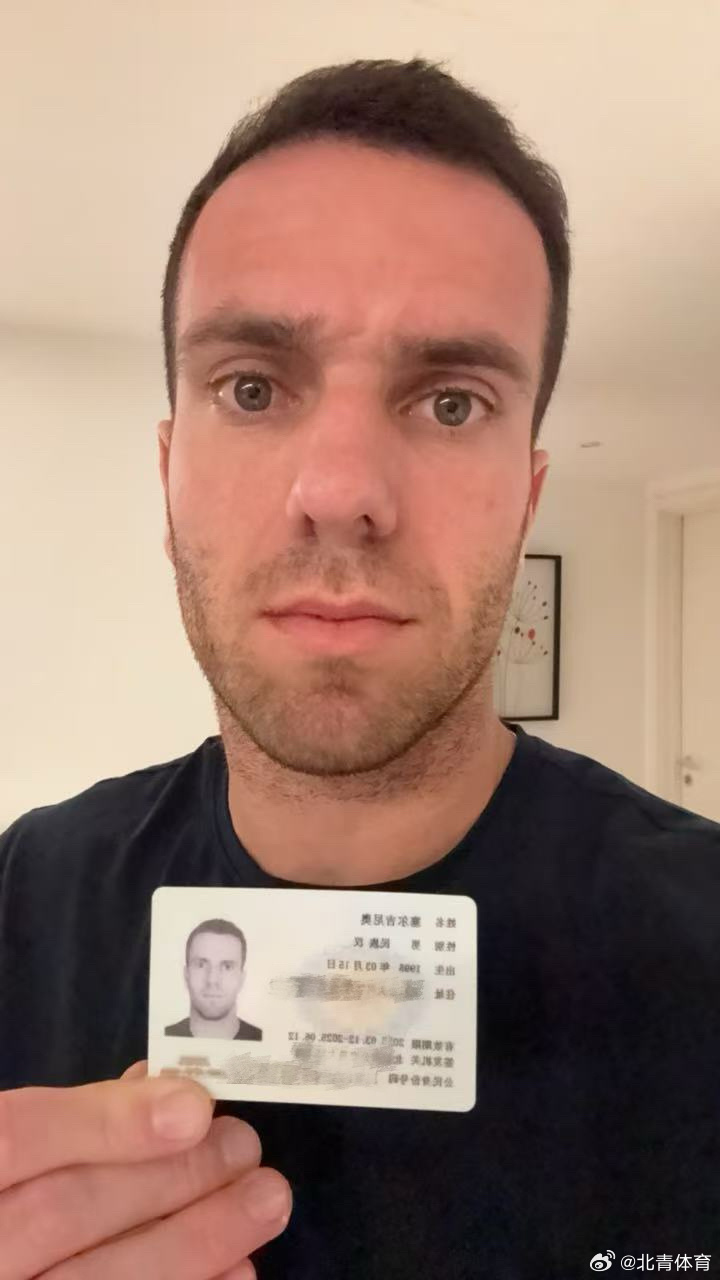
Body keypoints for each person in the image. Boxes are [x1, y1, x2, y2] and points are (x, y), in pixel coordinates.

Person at [1, 55, 718, 1280]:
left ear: (528, 496)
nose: (339, 492)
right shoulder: (23, 901)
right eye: (251, 386)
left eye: (451, 403)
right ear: (169, 477)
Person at [165, 918, 263, 1040]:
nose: (212, 980)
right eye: (201, 965)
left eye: (227, 967)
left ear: (241, 978)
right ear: (186, 974)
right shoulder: (160, 1040)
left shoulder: (264, 1041)